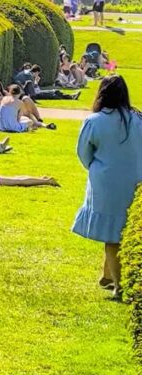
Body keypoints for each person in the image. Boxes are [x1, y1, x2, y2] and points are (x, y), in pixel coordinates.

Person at [72, 76, 142, 301]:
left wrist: (95, 167)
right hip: (136, 179)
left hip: (106, 181)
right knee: (121, 228)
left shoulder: (94, 121)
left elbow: (83, 153)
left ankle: (119, 285)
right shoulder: (138, 119)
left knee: (111, 234)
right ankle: (107, 275)